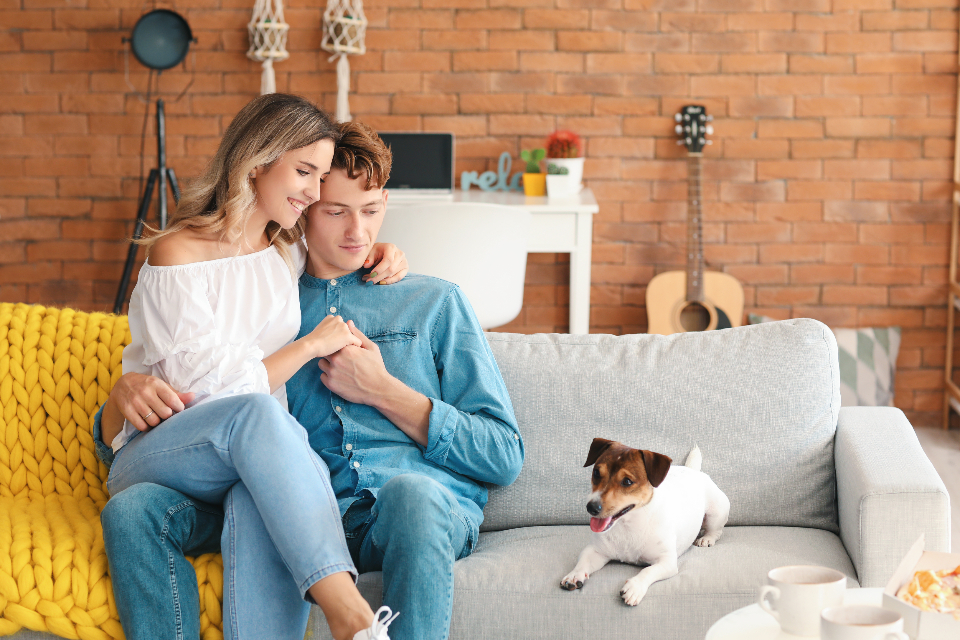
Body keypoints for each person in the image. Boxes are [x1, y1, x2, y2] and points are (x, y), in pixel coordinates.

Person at [95, 120, 525, 640]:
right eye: (336, 211)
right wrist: (118, 400)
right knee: (133, 510)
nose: (357, 233)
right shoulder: (272, 302)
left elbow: (503, 456)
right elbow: (203, 396)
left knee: (413, 495)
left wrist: (384, 391)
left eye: (370, 212)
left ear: (386, 203)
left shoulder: (433, 300)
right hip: (310, 509)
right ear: (304, 211)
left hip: (414, 508)